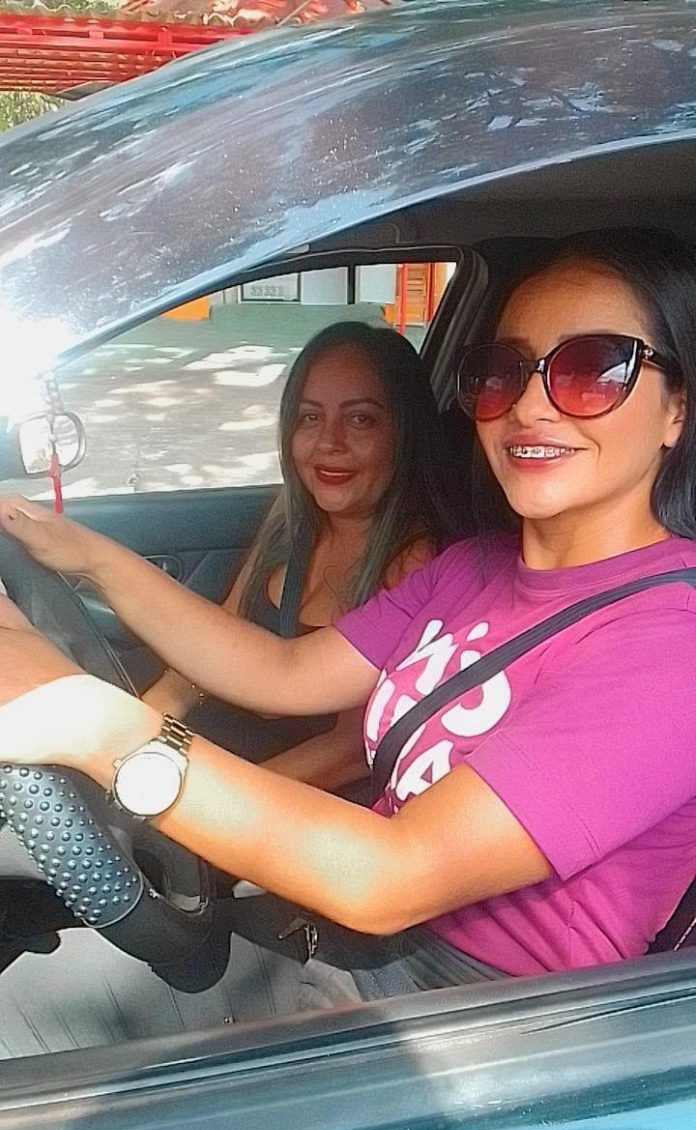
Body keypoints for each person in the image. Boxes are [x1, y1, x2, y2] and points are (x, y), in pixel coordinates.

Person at [1, 225, 696, 1050]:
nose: (530, 405)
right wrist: (84, 555)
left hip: (472, 1026)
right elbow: (281, 668)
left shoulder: (671, 645)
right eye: (504, 371)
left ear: (676, 409)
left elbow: (394, 874)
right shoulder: (473, 567)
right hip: (345, 942)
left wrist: (101, 730)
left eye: (592, 368)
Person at [143, 320, 458, 798]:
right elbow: (218, 640)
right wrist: (143, 726)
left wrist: (199, 797)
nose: (328, 442)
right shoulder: (291, 519)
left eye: (360, 420)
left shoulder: (418, 564)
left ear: (405, 433)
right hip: (210, 762)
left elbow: (350, 749)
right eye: (309, 418)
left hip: (288, 800)